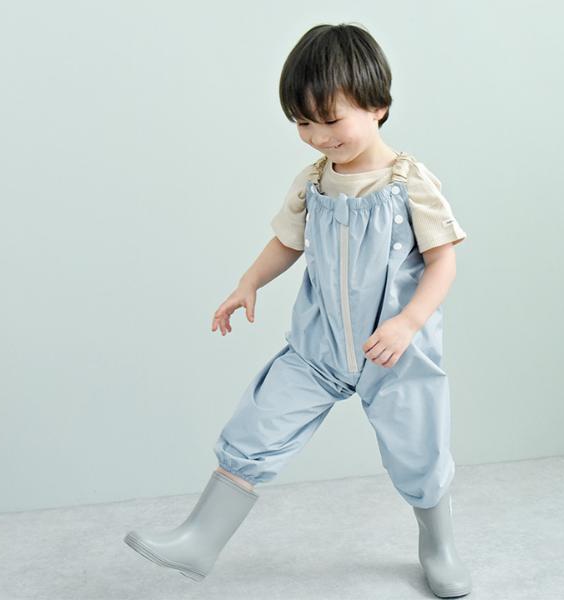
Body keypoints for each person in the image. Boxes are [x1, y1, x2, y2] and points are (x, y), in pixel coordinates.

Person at [124, 22, 472, 598]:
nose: (317, 137)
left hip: (396, 351)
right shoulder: (313, 183)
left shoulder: (410, 182)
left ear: (378, 105)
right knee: (256, 425)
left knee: (420, 450)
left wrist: (408, 323)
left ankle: (439, 546)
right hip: (319, 347)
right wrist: (248, 283)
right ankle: (199, 540)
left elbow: (443, 263)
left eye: (329, 120)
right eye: (303, 123)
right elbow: (288, 241)